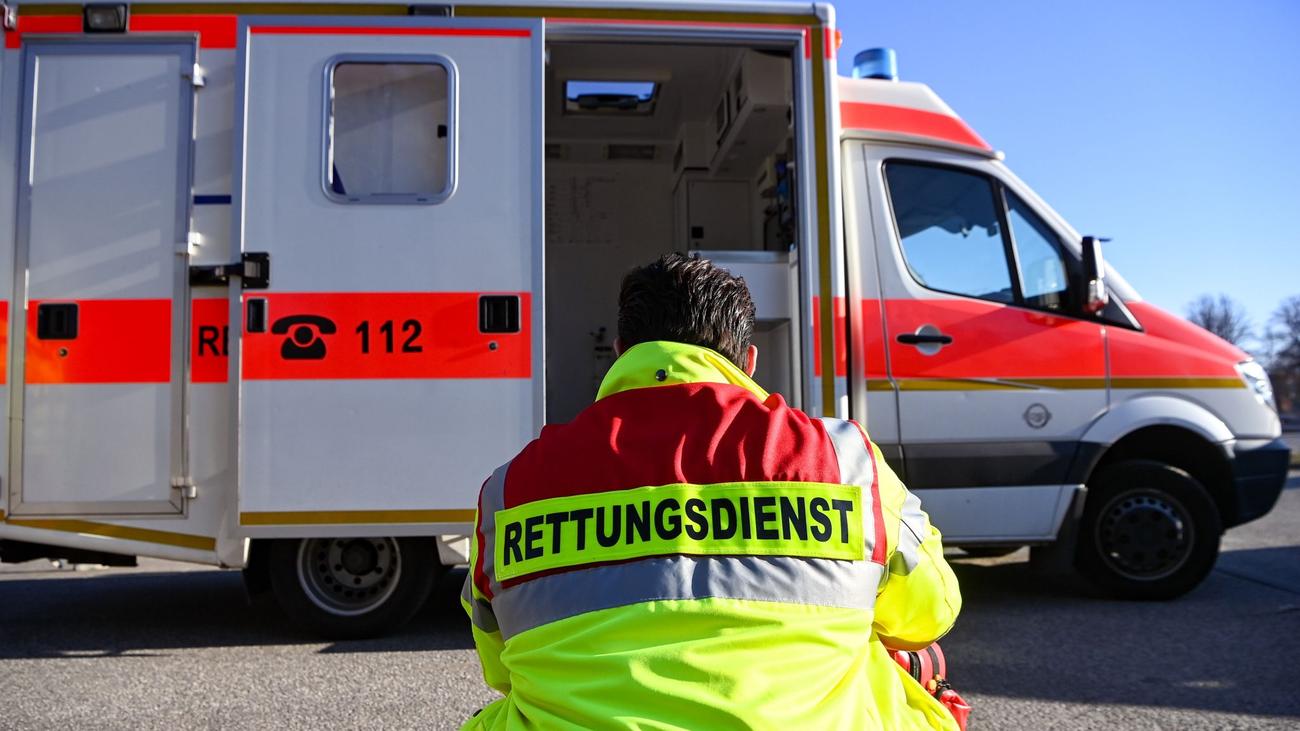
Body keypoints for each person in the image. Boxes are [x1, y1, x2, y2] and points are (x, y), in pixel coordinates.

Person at [461, 253, 963, 730]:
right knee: (913, 665)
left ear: (619, 353)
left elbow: (501, 668)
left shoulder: (511, 488)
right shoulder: (843, 459)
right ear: (749, 359)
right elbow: (930, 615)